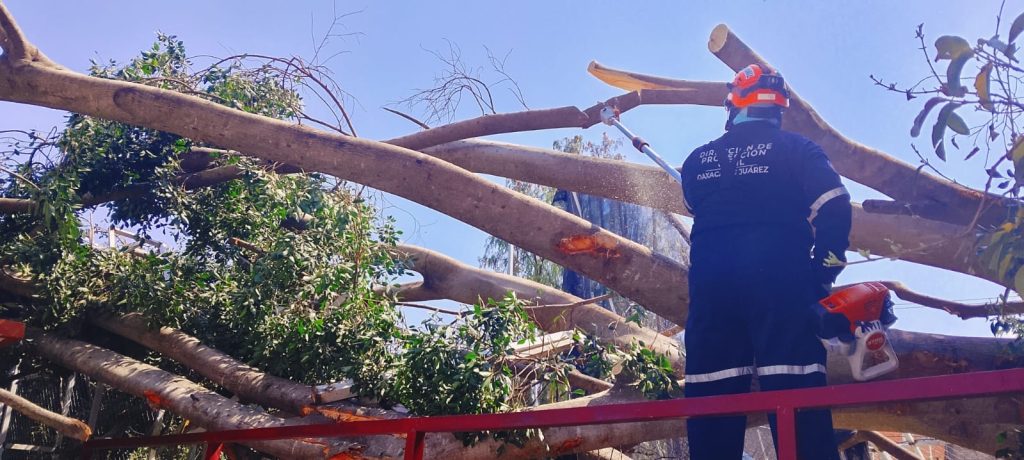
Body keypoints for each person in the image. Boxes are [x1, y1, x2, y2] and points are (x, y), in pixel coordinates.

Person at [679, 64, 852, 460]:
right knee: (797, 399)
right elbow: (836, 206)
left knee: (711, 398)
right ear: (778, 108)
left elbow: (692, 202)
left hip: (712, 294)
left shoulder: (698, 161)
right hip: (783, 287)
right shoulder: (798, 150)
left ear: (734, 105)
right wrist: (823, 273)